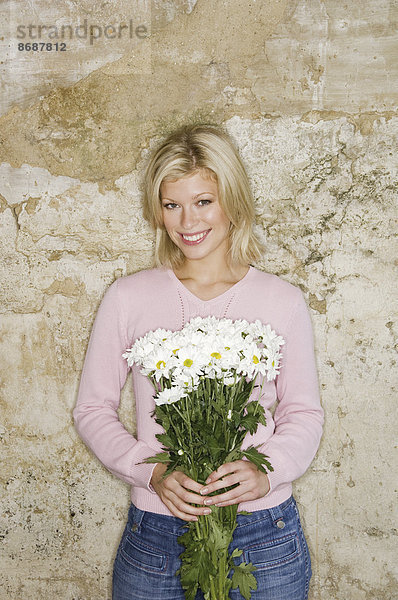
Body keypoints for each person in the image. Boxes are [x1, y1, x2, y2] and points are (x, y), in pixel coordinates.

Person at [73, 123, 324, 600]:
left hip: (263, 535)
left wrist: (266, 471)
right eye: (172, 205)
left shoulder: (282, 301)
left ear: (233, 201)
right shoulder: (129, 297)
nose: (187, 222)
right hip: (156, 534)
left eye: (203, 201)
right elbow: (92, 409)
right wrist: (151, 471)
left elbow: (303, 413)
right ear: (158, 210)